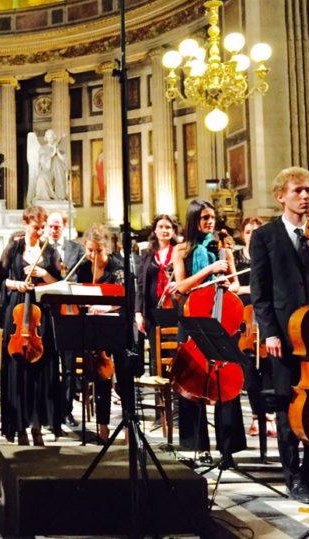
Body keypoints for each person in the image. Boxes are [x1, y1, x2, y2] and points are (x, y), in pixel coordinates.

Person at [250, 166, 309, 504]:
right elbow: (260, 291)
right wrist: (269, 332)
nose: (305, 196)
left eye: (307, 190)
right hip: (286, 335)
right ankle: (294, 478)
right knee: (289, 405)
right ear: (280, 196)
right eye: (298, 190)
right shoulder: (265, 237)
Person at [170, 199, 245, 465]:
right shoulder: (181, 249)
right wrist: (209, 271)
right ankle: (195, 447)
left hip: (221, 319)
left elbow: (235, 284)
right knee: (192, 381)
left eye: (212, 217)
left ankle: (227, 449)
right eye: (204, 218)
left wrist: (227, 285)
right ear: (194, 220)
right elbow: (180, 287)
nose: (210, 222)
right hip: (192, 319)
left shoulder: (223, 248)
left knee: (225, 383)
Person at [0, 205, 61, 446]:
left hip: (40, 314)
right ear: (26, 224)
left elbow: (57, 282)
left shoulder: (50, 251)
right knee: (18, 370)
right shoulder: (13, 248)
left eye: (43, 227)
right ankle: (20, 426)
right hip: (17, 312)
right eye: (36, 227)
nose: (41, 231)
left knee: (41, 370)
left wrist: (43, 273)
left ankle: (37, 426)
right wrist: (16, 284)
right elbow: (0, 280)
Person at [74, 225, 125, 442]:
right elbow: (78, 295)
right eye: (90, 250)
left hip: (117, 327)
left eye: (98, 251)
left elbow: (124, 299)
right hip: (95, 329)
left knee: (123, 379)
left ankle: (129, 428)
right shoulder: (84, 268)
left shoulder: (117, 267)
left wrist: (106, 307)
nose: (93, 255)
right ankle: (103, 427)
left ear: (107, 248)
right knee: (101, 379)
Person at [46, 210, 86, 427]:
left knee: (69, 367)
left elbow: (83, 277)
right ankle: (51, 412)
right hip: (47, 313)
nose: (54, 230)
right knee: (50, 366)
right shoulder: (42, 249)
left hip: (69, 312)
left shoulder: (76, 249)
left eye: (57, 226)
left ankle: (67, 411)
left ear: (64, 226)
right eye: (51, 226)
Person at [237, 217, 275, 439]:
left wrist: (245, 289)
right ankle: (255, 416)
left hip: (266, 318)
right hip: (245, 323)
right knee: (250, 370)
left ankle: (269, 416)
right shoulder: (238, 260)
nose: (252, 234)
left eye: (256, 230)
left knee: (269, 367)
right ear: (243, 234)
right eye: (248, 231)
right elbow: (231, 288)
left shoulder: (270, 256)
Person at [133, 214, 179, 373]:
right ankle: (160, 396)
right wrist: (138, 313)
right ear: (154, 230)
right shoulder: (147, 254)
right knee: (156, 356)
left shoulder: (179, 251)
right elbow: (140, 285)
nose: (164, 230)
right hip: (152, 312)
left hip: (174, 310)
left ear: (173, 230)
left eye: (168, 227)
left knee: (175, 353)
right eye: (161, 227)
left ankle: (176, 395)